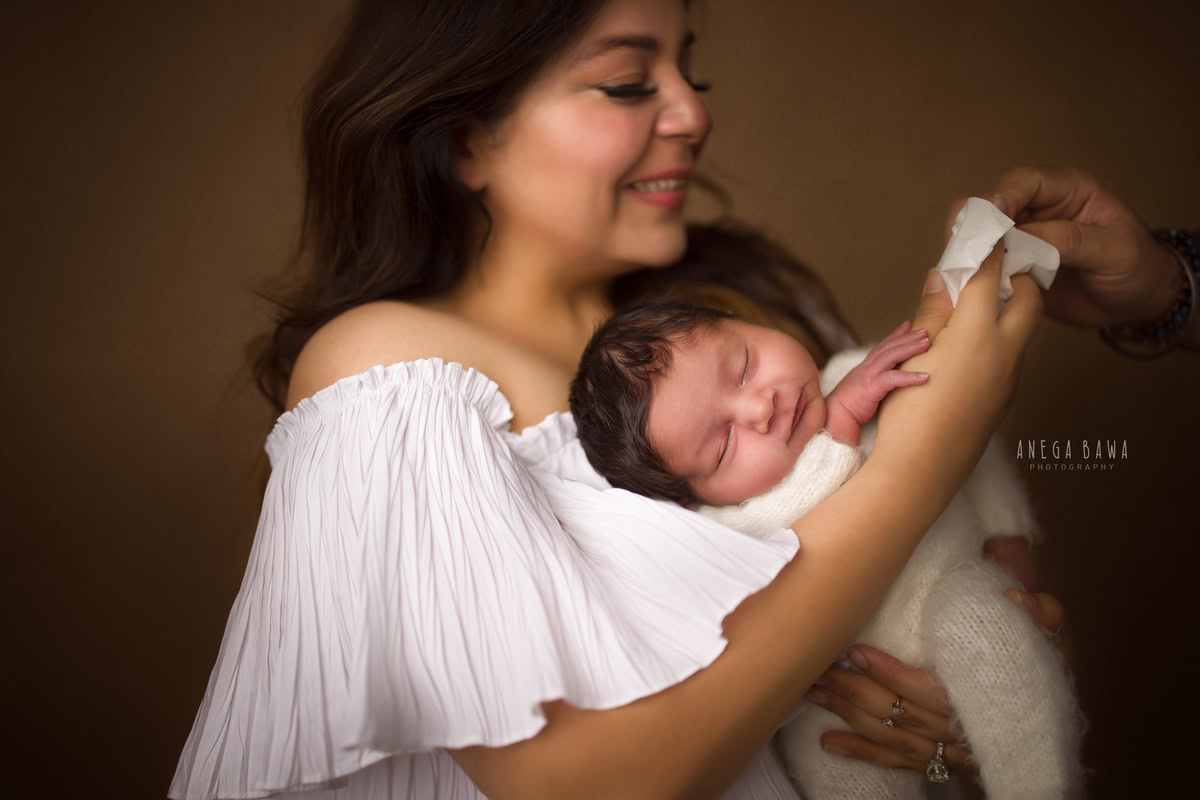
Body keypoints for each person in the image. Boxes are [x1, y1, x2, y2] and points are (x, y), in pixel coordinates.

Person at [168, 1, 1056, 798]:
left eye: (688, 69)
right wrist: (923, 458)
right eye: (628, 81)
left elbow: (886, 614)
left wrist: (945, 717)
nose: (695, 113)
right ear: (469, 136)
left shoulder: (749, 316)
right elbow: (576, 782)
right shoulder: (391, 374)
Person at [569, 298, 1084, 798]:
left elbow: (971, 431)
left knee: (989, 633)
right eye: (724, 443)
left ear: (744, 320)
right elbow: (782, 525)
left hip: (952, 588)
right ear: (690, 498)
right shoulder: (723, 527)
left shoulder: (865, 367)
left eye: (744, 365)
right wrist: (841, 420)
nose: (759, 405)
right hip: (840, 697)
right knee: (838, 766)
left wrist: (1007, 534)